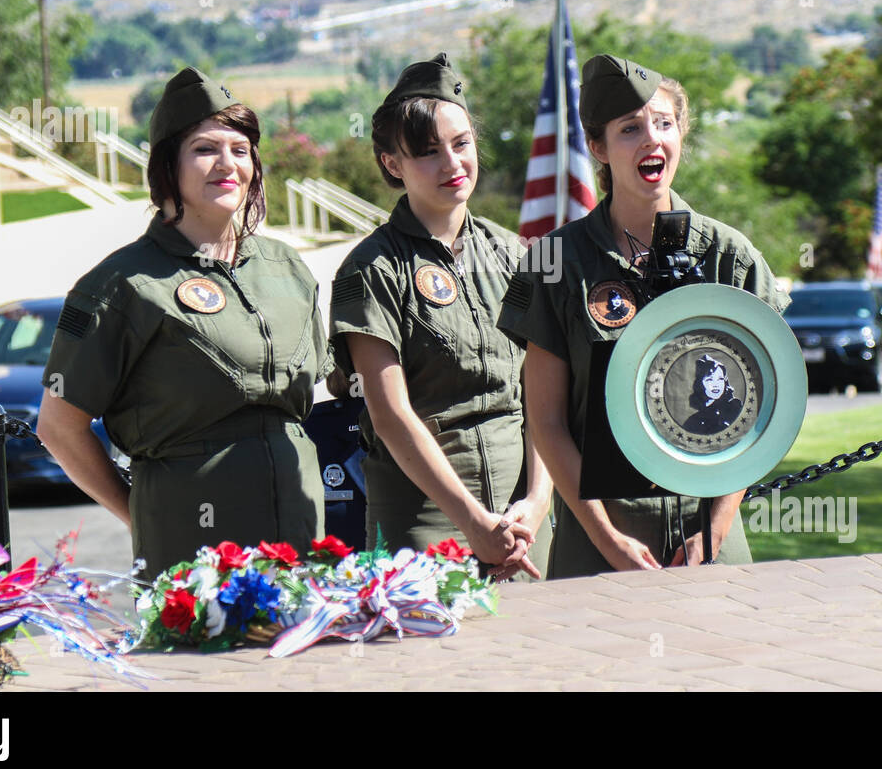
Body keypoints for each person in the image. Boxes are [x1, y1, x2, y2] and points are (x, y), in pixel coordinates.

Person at [497, 54, 790, 579]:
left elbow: (759, 408)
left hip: (710, 529)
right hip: (601, 535)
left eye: (664, 124)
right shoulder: (555, 262)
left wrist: (717, 529)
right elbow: (546, 420)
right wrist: (607, 539)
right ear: (597, 148)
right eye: (630, 129)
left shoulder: (730, 255)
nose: (652, 139)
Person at [37, 66, 330, 579]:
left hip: (302, 540)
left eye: (240, 150)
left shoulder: (289, 269)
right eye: (204, 149)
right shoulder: (121, 284)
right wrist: (142, 515)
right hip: (191, 552)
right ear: (167, 166)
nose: (227, 164)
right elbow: (59, 427)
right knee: (208, 664)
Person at [329, 53, 552, 581]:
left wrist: (539, 501)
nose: (452, 164)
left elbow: (543, 394)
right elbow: (389, 415)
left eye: (461, 144)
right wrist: (473, 524)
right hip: (426, 522)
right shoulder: (371, 268)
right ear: (392, 164)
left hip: (527, 519)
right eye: (428, 153)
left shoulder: (518, 255)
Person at [683, 354, 744, 435]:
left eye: (720, 379)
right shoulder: (692, 422)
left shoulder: (734, 408)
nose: (716, 384)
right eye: (709, 379)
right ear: (700, 383)